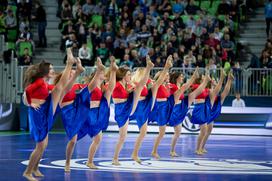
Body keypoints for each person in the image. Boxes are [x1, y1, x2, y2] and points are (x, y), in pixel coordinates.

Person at [22, 48, 75, 181]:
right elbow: (27, 90)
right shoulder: (39, 81)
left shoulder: (44, 84)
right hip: (37, 113)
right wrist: (30, 103)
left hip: (41, 112)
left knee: (44, 144)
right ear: (45, 71)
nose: (52, 71)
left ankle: (35, 168)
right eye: (50, 69)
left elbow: (61, 88)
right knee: (40, 145)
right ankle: (27, 172)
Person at [111, 55, 154, 165]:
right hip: (121, 110)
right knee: (122, 136)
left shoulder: (126, 84)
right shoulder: (116, 85)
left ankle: (148, 68)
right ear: (123, 76)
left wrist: (130, 90)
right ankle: (115, 158)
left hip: (128, 106)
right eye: (129, 74)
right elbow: (109, 87)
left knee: (140, 86)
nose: (130, 76)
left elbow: (139, 85)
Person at [130, 55, 173, 162]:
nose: (147, 75)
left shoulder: (145, 84)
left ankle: (135, 154)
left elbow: (158, 82)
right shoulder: (136, 83)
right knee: (143, 132)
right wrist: (149, 68)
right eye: (145, 72)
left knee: (144, 132)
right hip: (139, 107)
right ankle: (134, 154)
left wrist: (166, 68)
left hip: (147, 105)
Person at [201, 71, 234, 154]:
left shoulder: (211, 88)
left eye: (215, 80)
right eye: (214, 80)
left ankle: (229, 80)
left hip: (213, 105)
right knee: (206, 131)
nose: (214, 81)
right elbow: (214, 91)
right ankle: (200, 147)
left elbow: (217, 90)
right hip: (209, 106)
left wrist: (215, 83)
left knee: (208, 131)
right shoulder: (208, 89)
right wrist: (216, 82)